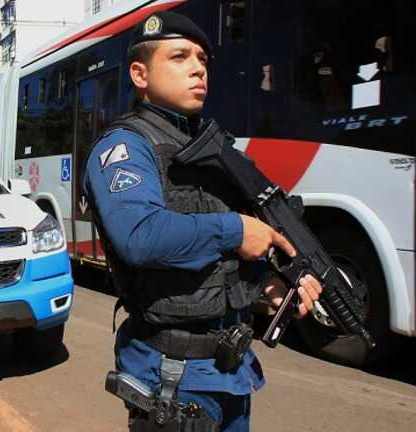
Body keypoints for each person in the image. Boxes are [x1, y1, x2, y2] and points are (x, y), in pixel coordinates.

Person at [83, 11, 323, 431]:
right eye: (179, 57)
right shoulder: (125, 146)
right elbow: (138, 236)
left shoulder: (211, 148)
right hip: (171, 375)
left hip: (230, 372)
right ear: (140, 75)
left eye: (203, 60)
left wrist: (267, 288)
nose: (197, 68)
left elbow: (219, 261)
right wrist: (237, 229)